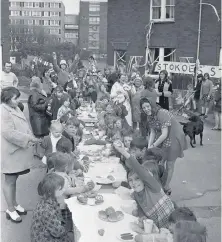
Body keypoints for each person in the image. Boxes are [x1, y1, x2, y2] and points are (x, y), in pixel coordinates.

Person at [113, 141, 175, 229]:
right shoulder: (136, 195)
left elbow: (138, 168)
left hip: (172, 229)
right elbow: (141, 208)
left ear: (144, 180)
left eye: (137, 179)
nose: (133, 183)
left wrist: (123, 152)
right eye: (130, 180)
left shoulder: (154, 187)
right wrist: (142, 217)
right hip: (157, 230)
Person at [1, 87, 39, 223]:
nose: (17, 101)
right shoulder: (3, 111)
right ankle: (10, 209)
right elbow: (8, 133)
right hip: (10, 152)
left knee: (14, 178)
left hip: (16, 151)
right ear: (6, 99)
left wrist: (30, 135)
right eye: (15, 98)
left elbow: (24, 125)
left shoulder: (14, 108)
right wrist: (28, 139)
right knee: (9, 180)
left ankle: (14, 203)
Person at [140, 97, 187, 195]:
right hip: (162, 137)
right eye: (143, 108)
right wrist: (149, 147)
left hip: (173, 137)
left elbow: (164, 134)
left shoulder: (162, 113)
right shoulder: (149, 116)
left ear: (152, 105)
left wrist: (153, 145)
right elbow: (152, 132)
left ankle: (166, 187)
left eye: (148, 106)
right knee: (160, 162)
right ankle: (159, 184)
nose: (146, 109)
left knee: (169, 164)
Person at [30, 173, 77, 242]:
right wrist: (67, 230)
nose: (64, 190)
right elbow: (57, 232)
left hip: (46, 231)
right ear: (50, 192)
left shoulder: (48, 199)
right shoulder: (47, 210)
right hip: (44, 238)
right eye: (60, 189)